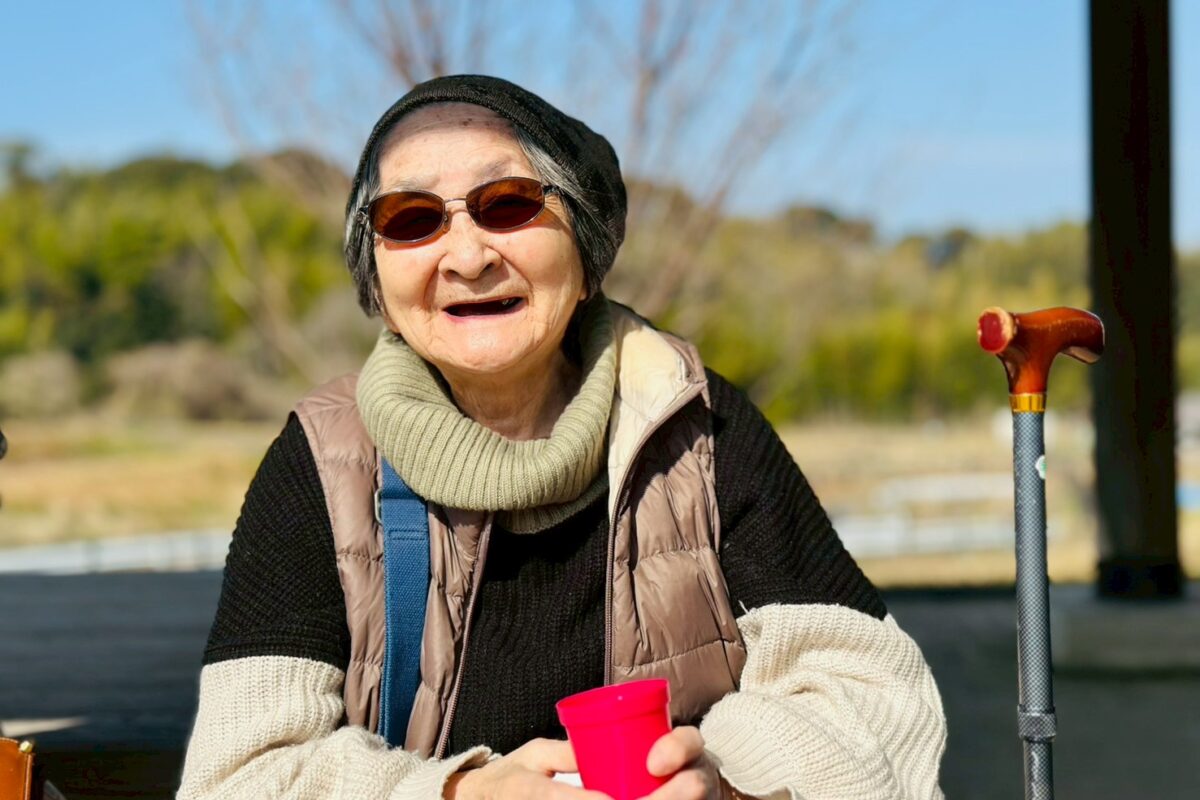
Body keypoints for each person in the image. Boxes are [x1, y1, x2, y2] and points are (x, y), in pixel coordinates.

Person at [178, 75, 946, 800]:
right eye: (411, 219)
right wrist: (455, 791)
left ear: (587, 250)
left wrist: (729, 776)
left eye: (508, 205)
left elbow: (875, 702)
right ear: (375, 281)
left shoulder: (697, 423)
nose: (468, 257)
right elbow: (238, 775)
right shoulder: (322, 460)